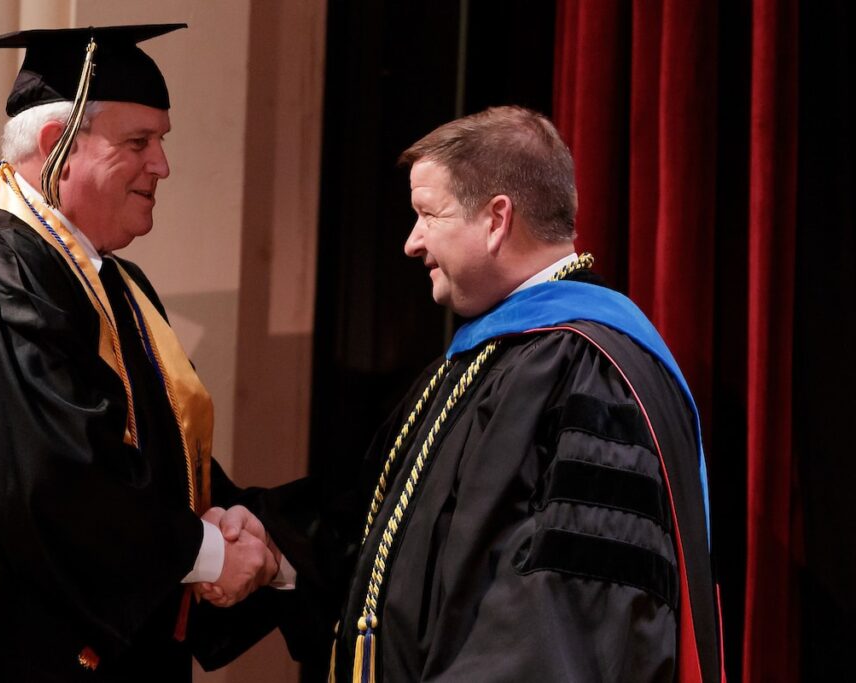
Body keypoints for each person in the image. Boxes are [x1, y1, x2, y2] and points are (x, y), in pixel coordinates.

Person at [0, 24, 293, 681]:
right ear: (57, 146)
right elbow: (54, 477)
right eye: (139, 142)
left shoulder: (107, 286)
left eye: (162, 141)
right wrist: (207, 551)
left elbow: (140, 455)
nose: (162, 165)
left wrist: (242, 531)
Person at [257, 106, 724, 681]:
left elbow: (568, 621)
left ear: (496, 218)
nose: (411, 242)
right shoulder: (485, 362)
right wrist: (273, 548)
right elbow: (397, 551)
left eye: (428, 214)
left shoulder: (586, 369)